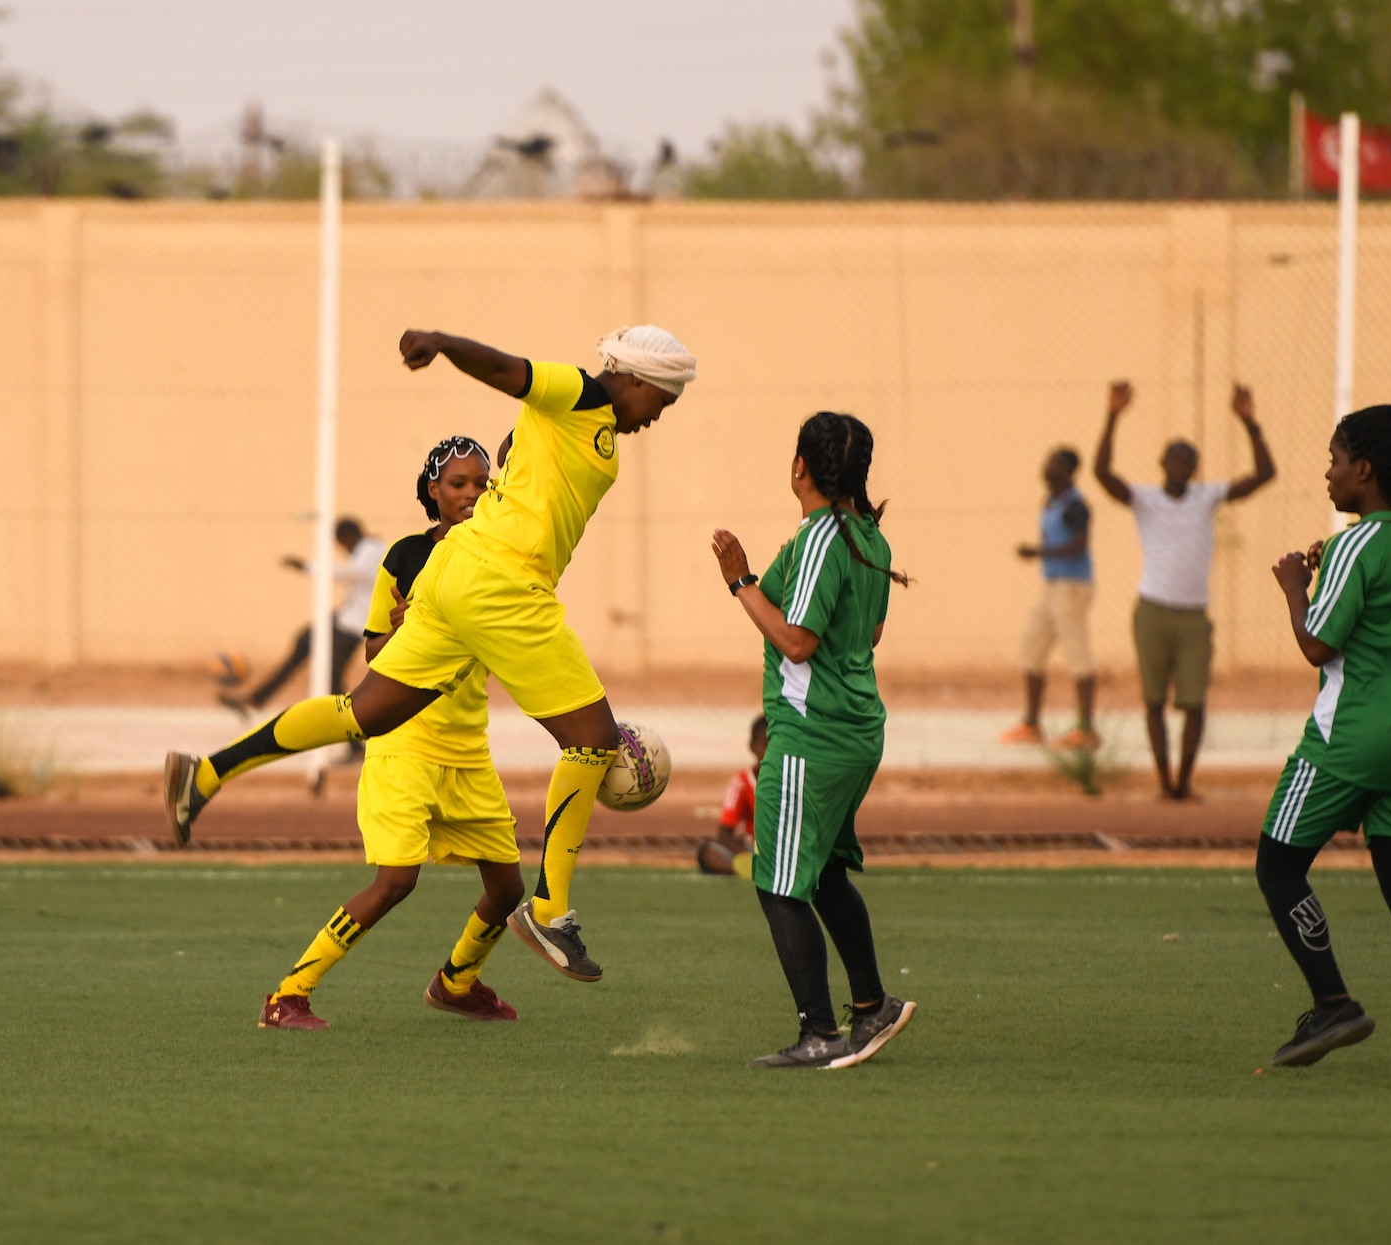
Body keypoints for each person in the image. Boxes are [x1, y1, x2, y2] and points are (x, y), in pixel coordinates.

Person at [165, 325, 696, 987]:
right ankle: (550, 908)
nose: (659, 417)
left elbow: (518, 442)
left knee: (366, 713)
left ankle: (208, 772)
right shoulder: (582, 391)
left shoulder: (586, 430)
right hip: (505, 583)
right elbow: (509, 368)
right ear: (639, 380)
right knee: (592, 739)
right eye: (663, 402)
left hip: (455, 574)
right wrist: (443, 343)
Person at [261, 435, 523, 1030]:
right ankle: (288, 995)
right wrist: (404, 628)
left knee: (507, 888)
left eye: (483, 484)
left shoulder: (499, 556)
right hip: (404, 744)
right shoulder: (404, 557)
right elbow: (376, 651)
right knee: (396, 882)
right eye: (458, 484)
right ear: (434, 490)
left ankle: (457, 983)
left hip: (467, 750)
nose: (471, 495)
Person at [1258, 405, 1391, 1071]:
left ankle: (1334, 1001)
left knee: (1278, 865)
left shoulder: (1352, 545)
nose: (1328, 472)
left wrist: (1294, 586)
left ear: (1364, 470)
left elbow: (1318, 642)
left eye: (1335, 459)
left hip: (1350, 738)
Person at [710, 411, 917, 1069]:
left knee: (778, 881)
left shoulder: (824, 538)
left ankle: (820, 1032)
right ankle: (872, 1006)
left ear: (800, 466)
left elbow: (798, 640)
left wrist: (742, 580)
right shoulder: (869, 538)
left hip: (811, 732)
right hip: (856, 727)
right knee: (822, 870)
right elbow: (872, 633)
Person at [1094, 380, 1276, 798]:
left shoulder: (1206, 496)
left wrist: (1249, 423)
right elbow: (1102, 473)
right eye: (1175, 459)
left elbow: (1264, 475)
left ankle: (1184, 782)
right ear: (1162, 463)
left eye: (1189, 461)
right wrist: (1112, 415)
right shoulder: (1144, 498)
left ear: (1195, 468)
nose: (1182, 466)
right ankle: (1165, 784)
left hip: (1194, 614)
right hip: (1153, 610)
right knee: (1154, 702)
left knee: (1194, 702)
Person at [222, 518, 384, 715]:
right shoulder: (367, 549)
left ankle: (355, 733)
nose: (343, 549)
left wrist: (308, 566)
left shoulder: (371, 550)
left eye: (341, 544)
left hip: (352, 628)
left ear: (347, 537)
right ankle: (257, 698)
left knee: (331, 679)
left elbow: (352, 573)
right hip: (343, 621)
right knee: (304, 642)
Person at [1002, 447, 1098, 749]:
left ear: (1069, 471)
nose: (1046, 467)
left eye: (1054, 464)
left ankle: (1086, 730)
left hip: (1072, 585)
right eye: (1047, 461)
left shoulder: (1075, 506)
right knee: (1031, 648)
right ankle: (1031, 724)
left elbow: (1080, 546)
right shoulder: (1050, 502)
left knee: (1077, 652)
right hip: (1052, 585)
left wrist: (1038, 552)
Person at [698, 715, 767, 877]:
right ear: (752, 746)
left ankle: (758, 870)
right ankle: (749, 869)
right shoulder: (740, 784)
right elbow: (724, 833)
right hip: (752, 849)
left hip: (782, 849)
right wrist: (745, 856)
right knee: (707, 852)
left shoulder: (790, 780)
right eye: (765, 745)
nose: (769, 751)